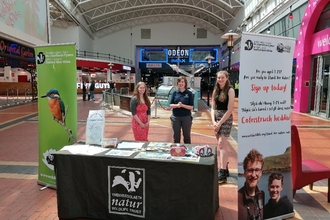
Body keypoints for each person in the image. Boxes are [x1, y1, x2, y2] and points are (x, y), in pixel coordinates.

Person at [210, 70, 235, 182]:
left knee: (221, 144)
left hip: (226, 118)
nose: (220, 79)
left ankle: (222, 171)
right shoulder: (216, 90)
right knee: (220, 145)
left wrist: (219, 123)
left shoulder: (230, 90)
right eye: (218, 78)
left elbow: (230, 110)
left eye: (222, 77)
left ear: (227, 78)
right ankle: (225, 166)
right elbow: (212, 108)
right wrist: (214, 122)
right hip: (216, 118)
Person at [238, 149, 265, 220]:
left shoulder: (262, 195)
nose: (253, 175)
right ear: (244, 173)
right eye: (250, 170)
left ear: (261, 173)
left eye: (257, 170)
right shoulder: (237, 198)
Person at [169, 76, 194, 144]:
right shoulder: (174, 93)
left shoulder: (189, 93)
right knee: (176, 136)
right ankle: (176, 152)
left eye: (182, 82)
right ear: (177, 83)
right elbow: (171, 105)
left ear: (185, 83)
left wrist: (182, 105)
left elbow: (191, 107)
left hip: (186, 117)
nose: (181, 83)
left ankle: (188, 151)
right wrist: (177, 105)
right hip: (175, 117)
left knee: (187, 136)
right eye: (179, 82)